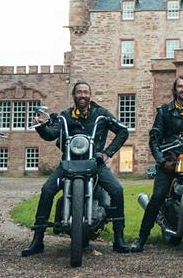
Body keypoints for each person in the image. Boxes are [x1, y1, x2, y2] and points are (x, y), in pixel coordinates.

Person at [21, 80, 130, 256]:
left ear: (90, 95)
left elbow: (123, 131)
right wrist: (41, 126)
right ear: (74, 95)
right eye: (79, 92)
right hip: (69, 163)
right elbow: (51, 134)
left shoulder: (101, 114)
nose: (82, 95)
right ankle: (38, 240)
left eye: (86, 92)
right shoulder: (65, 115)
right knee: (47, 189)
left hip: (95, 163)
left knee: (117, 190)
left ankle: (119, 239)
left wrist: (107, 153)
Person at [129, 75, 183, 252]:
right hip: (171, 159)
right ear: (175, 90)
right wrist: (162, 160)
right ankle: (141, 238)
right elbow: (154, 139)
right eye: (180, 86)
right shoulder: (164, 111)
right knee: (158, 196)